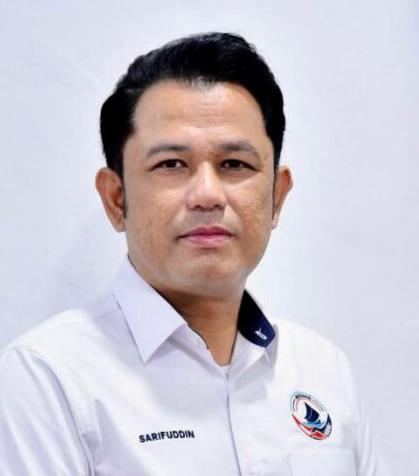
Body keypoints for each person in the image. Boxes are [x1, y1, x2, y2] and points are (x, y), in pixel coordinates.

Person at [0, 33, 388, 475]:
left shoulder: (323, 371)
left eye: (235, 164)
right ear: (116, 199)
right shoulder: (47, 379)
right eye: (171, 164)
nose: (207, 195)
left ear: (276, 197)